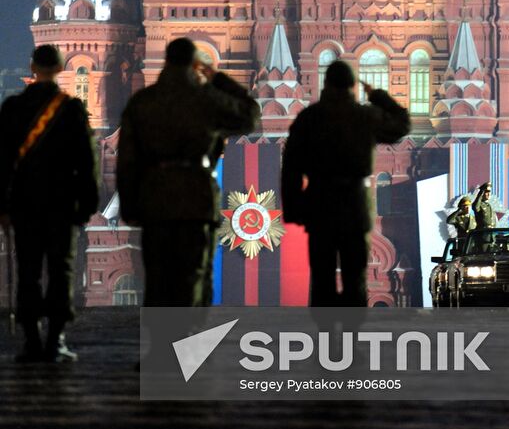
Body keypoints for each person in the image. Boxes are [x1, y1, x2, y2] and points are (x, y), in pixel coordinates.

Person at [117, 38, 260, 307]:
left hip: (155, 199)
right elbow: (250, 116)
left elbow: (127, 160)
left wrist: (130, 207)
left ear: (167, 61)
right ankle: (189, 343)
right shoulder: (206, 99)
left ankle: (160, 345)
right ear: (195, 64)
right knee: (195, 276)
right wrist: (217, 79)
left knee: (158, 277)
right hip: (197, 199)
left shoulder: (143, 102)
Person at [281, 60, 410, 306]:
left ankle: (327, 336)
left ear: (326, 84)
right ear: (353, 86)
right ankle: (351, 336)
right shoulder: (364, 115)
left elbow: (291, 167)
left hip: (320, 205)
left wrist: (295, 210)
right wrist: (378, 96)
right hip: (354, 206)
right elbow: (402, 125)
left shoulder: (310, 118)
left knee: (322, 277)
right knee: (354, 277)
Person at [0, 45, 99, 362]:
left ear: (32, 67)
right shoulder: (70, 109)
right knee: (61, 271)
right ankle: (55, 341)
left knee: (27, 270)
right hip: (60, 203)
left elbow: (1, 161)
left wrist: (3, 205)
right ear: (59, 68)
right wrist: (87, 204)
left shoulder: (13, 107)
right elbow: (85, 162)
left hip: (24, 204)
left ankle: (31, 342)